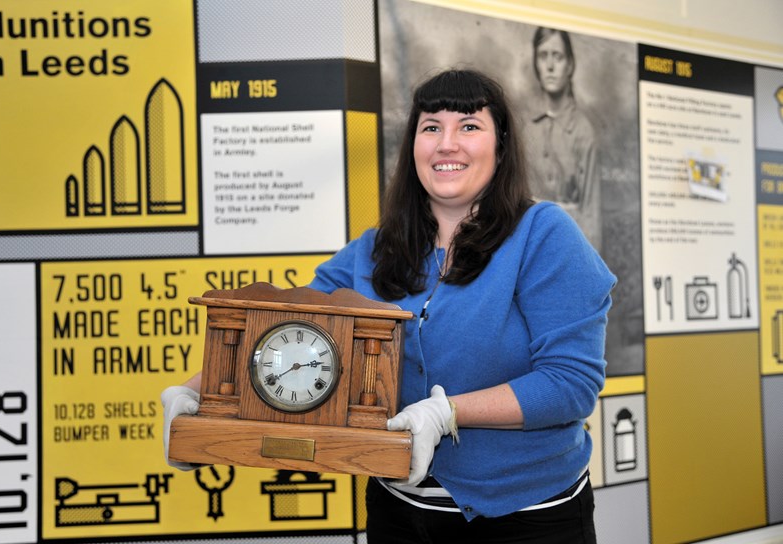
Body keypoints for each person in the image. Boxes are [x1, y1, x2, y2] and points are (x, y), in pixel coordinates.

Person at [163, 69, 615, 543]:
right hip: (398, 509)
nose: (447, 143)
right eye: (431, 127)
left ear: (500, 146)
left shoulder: (544, 235)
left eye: (469, 126)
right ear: (413, 147)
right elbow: (282, 329)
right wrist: (197, 393)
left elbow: (570, 385)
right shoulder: (374, 249)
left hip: (526, 517)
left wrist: (448, 413)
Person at [524, 27, 601, 251]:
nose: (550, 66)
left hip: (570, 248)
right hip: (529, 247)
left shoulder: (583, 131)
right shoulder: (526, 129)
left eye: (557, 56)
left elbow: (591, 213)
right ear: (536, 64)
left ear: (569, 65)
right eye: (543, 56)